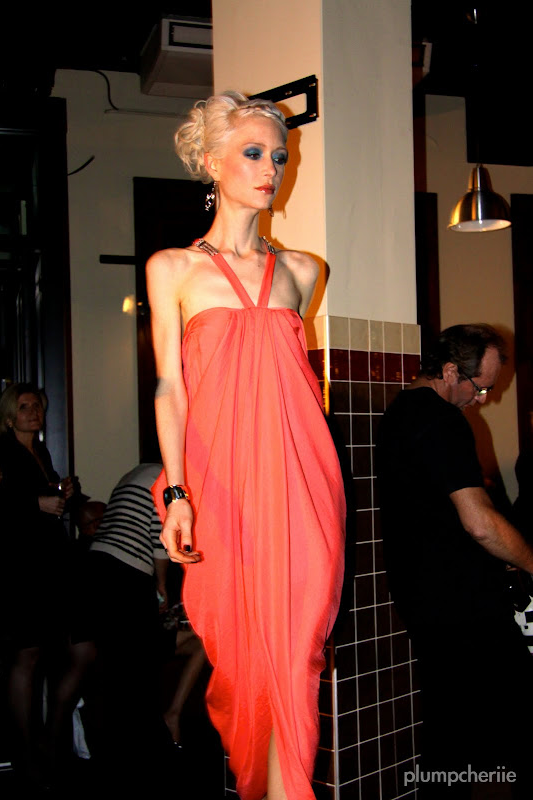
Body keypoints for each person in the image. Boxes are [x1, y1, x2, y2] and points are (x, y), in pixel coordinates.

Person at [147, 91, 346, 800]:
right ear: (212, 163)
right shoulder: (174, 268)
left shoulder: (304, 272)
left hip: (301, 488)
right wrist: (177, 491)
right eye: (254, 153)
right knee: (237, 661)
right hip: (220, 489)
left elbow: (296, 387)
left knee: (297, 653)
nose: (271, 170)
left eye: (280, 157)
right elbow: (170, 388)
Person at [376, 324, 533, 799]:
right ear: (449, 371)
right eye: (479, 387)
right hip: (462, 605)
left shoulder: (399, 413)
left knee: (452, 729)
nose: (482, 399)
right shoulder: (442, 421)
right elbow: (479, 524)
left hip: (423, 596)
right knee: (509, 718)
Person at [0, 382, 95, 791]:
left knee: (75, 650)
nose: (33, 411)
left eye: (37, 405)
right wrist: (35, 503)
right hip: (20, 567)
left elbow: (47, 507)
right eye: (24, 406)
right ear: (9, 416)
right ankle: (24, 755)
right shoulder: (3, 451)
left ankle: (49, 741)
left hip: (50, 566)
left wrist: (64, 493)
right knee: (26, 656)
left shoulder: (40, 452)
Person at [84, 463, 175, 790]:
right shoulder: (168, 478)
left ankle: (112, 753)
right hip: (126, 571)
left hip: (97, 564)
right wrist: (161, 585)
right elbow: (159, 536)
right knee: (139, 666)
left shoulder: (136, 473)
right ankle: (145, 754)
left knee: (114, 666)